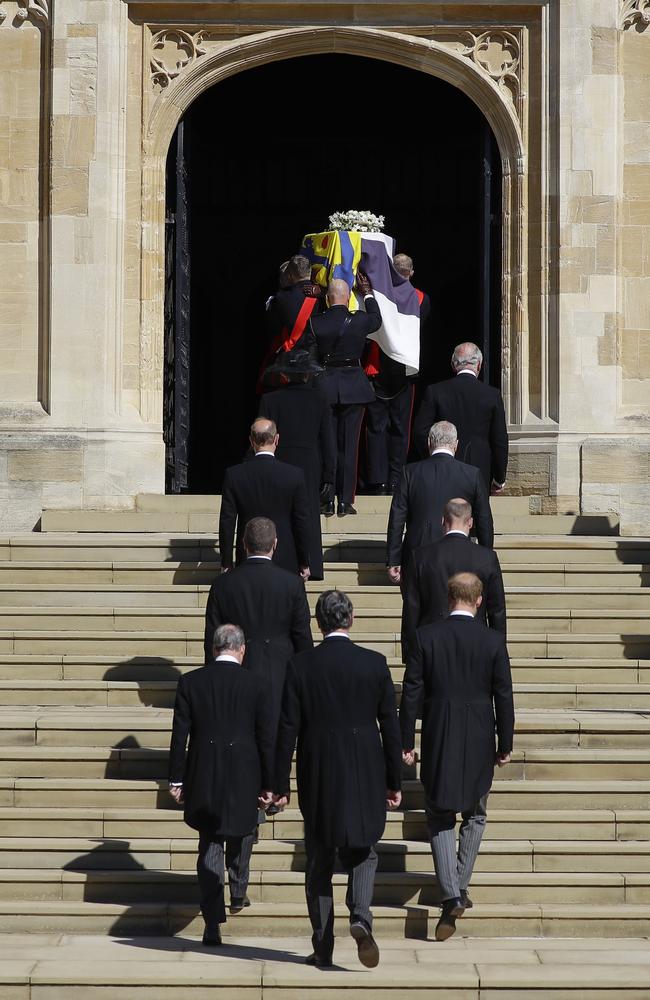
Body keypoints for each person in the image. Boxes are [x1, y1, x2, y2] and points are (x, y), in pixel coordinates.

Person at [274, 590, 402, 968]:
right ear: (352, 618)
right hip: (365, 771)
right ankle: (360, 914)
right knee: (363, 850)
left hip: (319, 773)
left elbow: (287, 730)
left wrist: (279, 784)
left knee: (319, 861)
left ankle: (323, 945)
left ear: (318, 622)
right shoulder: (374, 664)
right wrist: (394, 781)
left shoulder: (300, 666)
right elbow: (390, 730)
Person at [400, 573, 514, 942]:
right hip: (481, 733)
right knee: (476, 813)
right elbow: (504, 695)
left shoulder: (426, 636)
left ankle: (452, 893)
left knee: (438, 815)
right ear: (479, 601)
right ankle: (456, 889)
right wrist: (505, 741)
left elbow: (411, 694)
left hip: (439, 733)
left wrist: (405, 740)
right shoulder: (493, 640)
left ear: (449, 598)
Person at [168, 624, 274, 945]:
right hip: (246, 772)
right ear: (241, 650)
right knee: (244, 831)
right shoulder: (257, 683)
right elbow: (265, 739)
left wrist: (176, 778)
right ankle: (238, 890)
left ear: (215, 649)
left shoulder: (191, 682)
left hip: (205, 773)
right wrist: (270, 782)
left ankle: (212, 920)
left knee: (210, 842)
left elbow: (179, 737)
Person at [204, 517, 313, 731]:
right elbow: (302, 636)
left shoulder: (223, 584)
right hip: (280, 672)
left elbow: (212, 638)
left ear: (244, 544)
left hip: (235, 672)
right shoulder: (292, 584)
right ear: (275, 544)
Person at [386, 421, 494, 587]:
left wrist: (393, 559)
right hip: (461, 554)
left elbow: (397, 518)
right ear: (456, 445)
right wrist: (485, 558)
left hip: (418, 552)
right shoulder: (472, 474)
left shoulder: (410, 472)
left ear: (429, 442)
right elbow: (484, 520)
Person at [259, 351, 335, 579]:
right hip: (309, 465)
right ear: (308, 375)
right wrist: (330, 476)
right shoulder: (320, 400)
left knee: (278, 512)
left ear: (284, 374)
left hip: (279, 460)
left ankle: (279, 559)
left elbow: (261, 435)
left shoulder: (270, 400)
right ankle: (311, 564)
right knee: (308, 514)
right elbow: (328, 442)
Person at [310, 274, 382, 516]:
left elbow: (309, 354)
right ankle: (345, 501)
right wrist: (367, 293)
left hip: (325, 387)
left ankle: (327, 498)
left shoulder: (316, 322)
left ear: (329, 300)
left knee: (326, 444)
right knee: (349, 446)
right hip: (354, 387)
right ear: (348, 297)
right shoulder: (359, 319)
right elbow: (377, 320)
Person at [404, 498, 507, 648]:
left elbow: (411, 609)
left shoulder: (421, 557)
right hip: (476, 643)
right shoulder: (486, 557)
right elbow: (496, 609)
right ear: (470, 522)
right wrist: (499, 649)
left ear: (443, 521)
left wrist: (410, 652)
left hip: (431, 644)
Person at [219, 418, 311, 577]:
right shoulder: (294, 475)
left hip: (247, 555)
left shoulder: (235, 475)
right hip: (285, 558)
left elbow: (227, 522)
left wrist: (226, 562)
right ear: (276, 439)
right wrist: (304, 561)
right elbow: (301, 522)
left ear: (251, 441)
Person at [413, 342, 508, 494]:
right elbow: (499, 440)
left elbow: (420, 432)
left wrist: (435, 455)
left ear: (453, 364)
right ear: (479, 365)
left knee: (443, 514)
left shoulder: (435, 391)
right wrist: (499, 478)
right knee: (476, 516)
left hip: (442, 469)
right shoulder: (492, 395)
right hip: (479, 470)